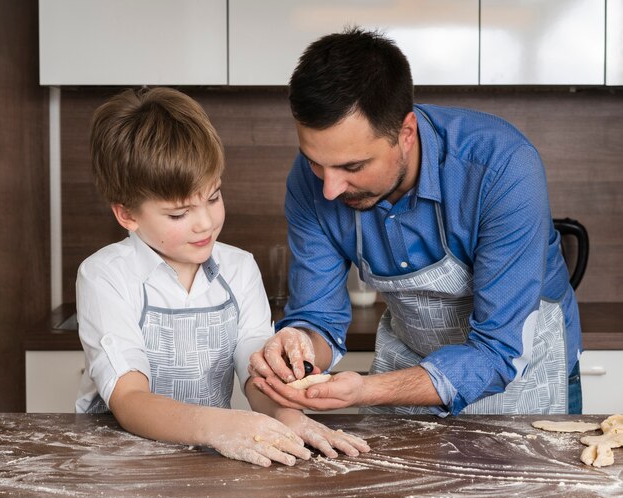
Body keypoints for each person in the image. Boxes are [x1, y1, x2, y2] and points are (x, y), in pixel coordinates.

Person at [249, 28, 583, 416]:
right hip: (403, 374)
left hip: (522, 378)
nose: (329, 189)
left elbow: (498, 350)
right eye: (314, 162)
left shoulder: (501, 167)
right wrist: (297, 344)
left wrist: (365, 391)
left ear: (405, 133)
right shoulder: (312, 182)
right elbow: (318, 317)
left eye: (352, 166)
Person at [75, 87, 369, 467]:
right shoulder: (105, 276)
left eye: (213, 197)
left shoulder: (238, 267)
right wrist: (219, 425)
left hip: (211, 456)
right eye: (179, 214)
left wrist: (288, 418)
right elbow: (130, 400)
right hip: (122, 461)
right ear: (127, 215)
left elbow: (256, 374)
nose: (205, 223)